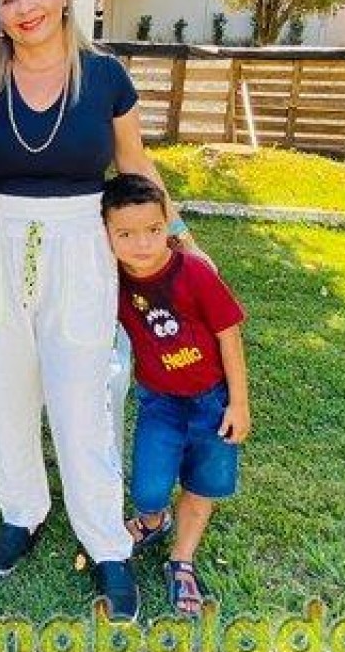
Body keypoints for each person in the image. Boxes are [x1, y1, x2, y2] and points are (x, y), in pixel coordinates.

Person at [0, 0, 199, 621]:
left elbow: (135, 165)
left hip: (81, 243)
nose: (24, 8)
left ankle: (105, 542)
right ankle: (23, 510)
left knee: (82, 397)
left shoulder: (104, 76)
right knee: (6, 385)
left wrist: (180, 240)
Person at [102, 173, 250, 617]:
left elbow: (229, 335)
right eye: (125, 234)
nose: (142, 244)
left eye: (152, 229)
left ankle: (181, 559)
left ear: (167, 221)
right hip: (160, 404)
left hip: (212, 402)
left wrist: (238, 403)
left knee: (203, 485)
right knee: (148, 489)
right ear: (106, 234)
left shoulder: (195, 272)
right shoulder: (111, 280)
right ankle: (153, 520)